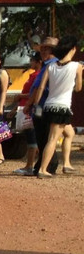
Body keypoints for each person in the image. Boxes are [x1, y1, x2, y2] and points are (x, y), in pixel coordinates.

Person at [34, 35, 83, 177]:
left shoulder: (50, 66)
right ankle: (43, 169)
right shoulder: (77, 66)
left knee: (69, 133)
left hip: (48, 106)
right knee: (53, 139)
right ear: (72, 49)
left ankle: (66, 164)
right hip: (62, 106)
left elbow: (41, 87)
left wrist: (37, 105)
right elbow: (78, 88)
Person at [31, 37, 60, 176]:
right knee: (41, 136)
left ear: (53, 50)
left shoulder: (52, 65)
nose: (42, 51)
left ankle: (49, 165)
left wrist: (33, 104)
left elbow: (39, 87)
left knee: (44, 136)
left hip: (44, 104)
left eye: (46, 49)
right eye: (42, 49)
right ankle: (41, 164)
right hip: (42, 104)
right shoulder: (46, 64)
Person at [13, 51, 42, 175]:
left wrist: (20, 96)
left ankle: (29, 166)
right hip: (25, 107)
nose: (30, 63)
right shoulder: (34, 75)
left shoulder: (38, 76)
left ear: (38, 62)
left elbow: (34, 94)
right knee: (30, 136)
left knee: (32, 138)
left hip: (31, 109)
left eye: (32, 61)